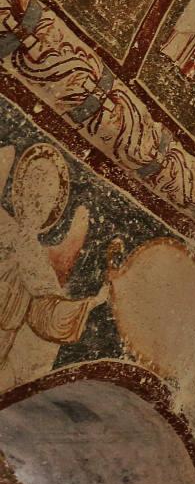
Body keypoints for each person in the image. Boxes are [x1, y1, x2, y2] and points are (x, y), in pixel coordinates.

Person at [0, 144, 98, 390]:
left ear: (52, 209)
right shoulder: (4, 226)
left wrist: (90, 304)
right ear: (20, 191)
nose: (37, 202)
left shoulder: (36, 258)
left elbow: (48, 311)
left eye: (45, 198)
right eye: (32, 189)